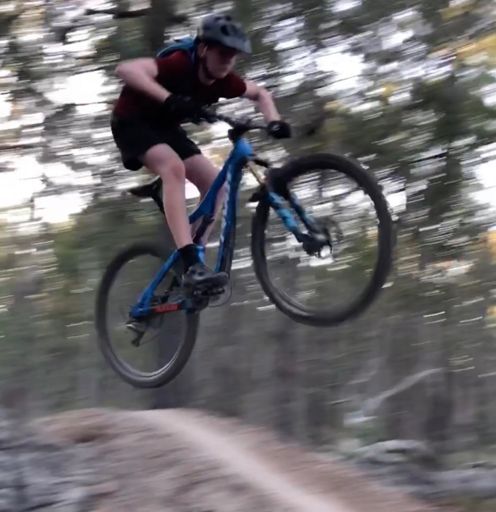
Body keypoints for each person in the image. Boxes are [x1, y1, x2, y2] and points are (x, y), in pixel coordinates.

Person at [110, 13, 291, 293]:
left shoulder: (225, 81)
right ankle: (190, 263)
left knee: (217, 185)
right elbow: (125, 70)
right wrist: (169, 99)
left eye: (233, 55)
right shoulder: (180, 63)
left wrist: (274, 121)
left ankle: (195, 261)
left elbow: (261, 94)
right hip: (131, 122)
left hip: (165, 128)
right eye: (223, 53)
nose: (228, 60)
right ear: (204, 49)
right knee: (173, 168)